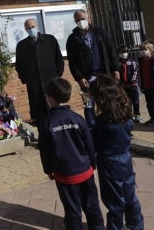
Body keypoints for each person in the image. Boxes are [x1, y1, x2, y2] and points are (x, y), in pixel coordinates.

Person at [38, 77, 105, 230]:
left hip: (64, 175)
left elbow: (44, 150)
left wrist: (48, 169)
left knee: (72, 209)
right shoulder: (78, 119)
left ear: (49, 98)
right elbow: (89, 145)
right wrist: (92, 164)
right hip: (85, 171)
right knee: (92, 205)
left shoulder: (47, 123)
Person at [89, 75, 144, 230]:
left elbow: (93, 140)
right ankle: (136, 225)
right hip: (125, 159)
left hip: (108, 163)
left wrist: (89, 111)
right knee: (130, 196)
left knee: (114, 202)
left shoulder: (102, 122)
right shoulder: (126, 115)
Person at [15, 18, 64, 126]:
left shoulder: (50, 40)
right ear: (25, 29)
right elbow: (19, 65)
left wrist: (58, 74)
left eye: (32, 27)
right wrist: (25, 78)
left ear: (37, 26)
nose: (31, 29)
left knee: (54, 108)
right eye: (28, 28)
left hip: (51, 81)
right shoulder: (22, 46)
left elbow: (58, 58)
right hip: (34, 84)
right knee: (38, 112)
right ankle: (43, 136)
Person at [66, 10, 120, 92]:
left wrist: (115, 68)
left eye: (83, 19)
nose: (81, 22)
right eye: (78, 20)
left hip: (105, 73)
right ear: (75, 21)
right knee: (91, 102)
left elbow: (111, 50)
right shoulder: (72, 39)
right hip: (88, 77)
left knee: (108, 99)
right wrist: (79, 77)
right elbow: (72, 62)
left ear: (89, 18)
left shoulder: (100, 32)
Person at [117, 45, 142, 123]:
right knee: (126, 101)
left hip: (133, 85)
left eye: (125, 52)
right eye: (121, 52)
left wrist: (131, 82)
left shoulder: (132, 62)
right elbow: (117, 74)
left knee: (135, 101)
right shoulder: (118, 63)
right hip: (123, 85)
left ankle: (137, 115)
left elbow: (135, 72)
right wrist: (121, 83)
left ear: (127, 52)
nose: (123, 54)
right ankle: (129, 115)